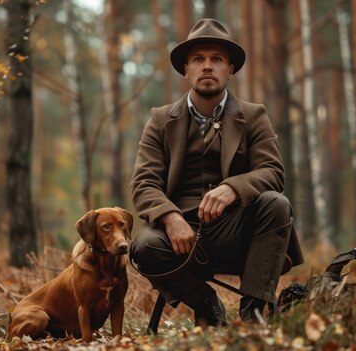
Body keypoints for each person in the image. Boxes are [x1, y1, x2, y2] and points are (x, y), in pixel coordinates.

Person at [129, 18, 304, 327]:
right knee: (143, 247)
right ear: (186, 69)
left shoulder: (253, 116)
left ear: (230, 69)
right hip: (179, 238)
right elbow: (144, 183)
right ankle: (207, 305)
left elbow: (273, 171)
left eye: (216, 59)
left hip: (238, 233)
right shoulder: (160, 120)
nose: (207, 66)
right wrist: (170, 218)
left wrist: (233, 188)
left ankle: (253, 317)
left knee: (277, 204)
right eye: (198, 59)